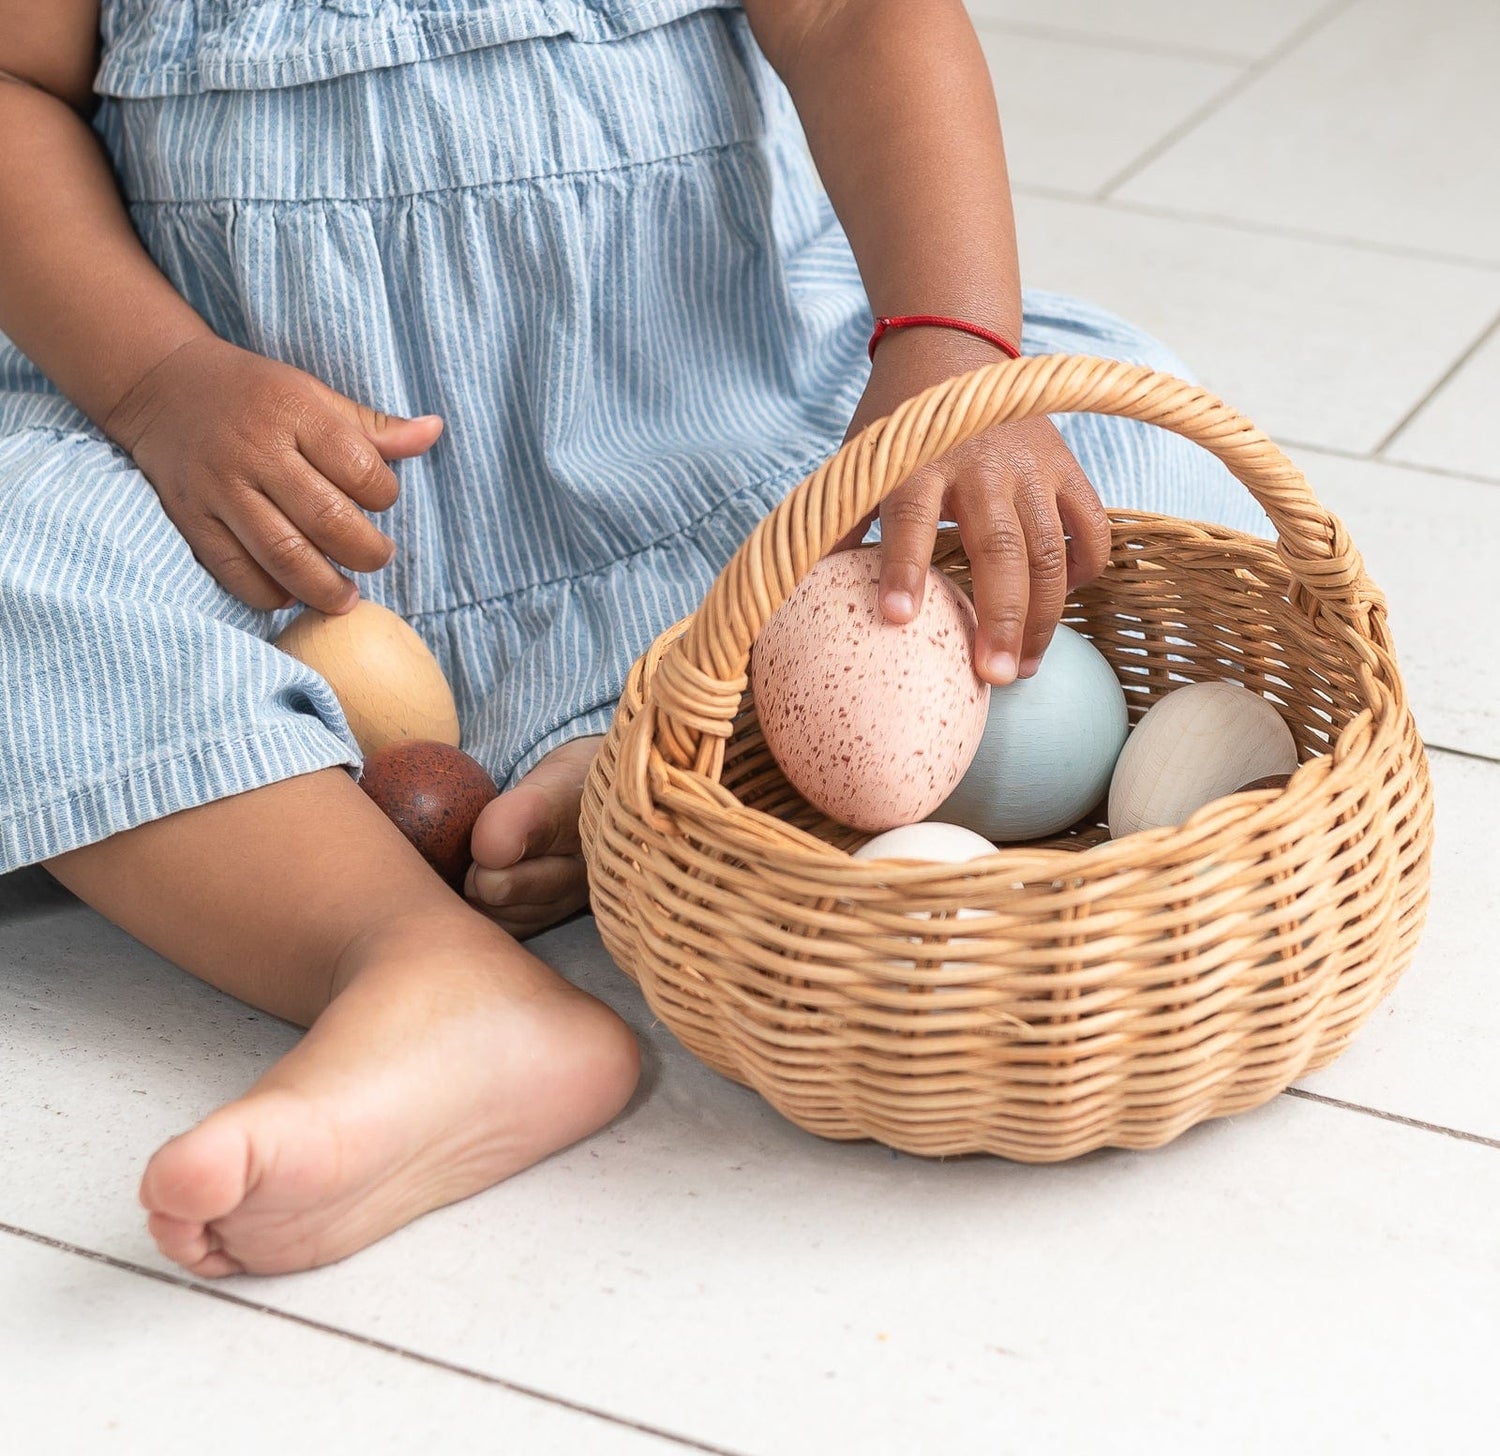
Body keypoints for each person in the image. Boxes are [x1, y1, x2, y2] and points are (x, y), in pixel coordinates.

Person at [0, 0, 1266, 1277]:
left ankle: (636, 753)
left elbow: (859, 17)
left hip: (713, 453)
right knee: (23, 564)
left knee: (1127, 457)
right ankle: (415, 965)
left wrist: (948, 356)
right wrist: (157, 384)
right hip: (274, 520)